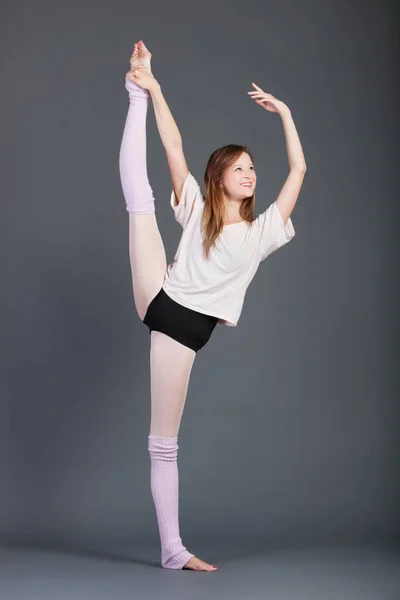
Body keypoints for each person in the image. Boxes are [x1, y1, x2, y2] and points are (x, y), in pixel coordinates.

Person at [119, 40, 306, 572]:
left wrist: (286, 114)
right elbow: (174, 144)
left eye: (252, 169)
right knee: (141, 202)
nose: (249, 174)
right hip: (162, 297)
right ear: (220, 174)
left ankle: (171, 549)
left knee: (164, 443)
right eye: (239, 167)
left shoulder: (264, 231)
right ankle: (133, 92)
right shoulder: (198, 210)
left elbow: (299, 171)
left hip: (185, 332)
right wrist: (153, 87)